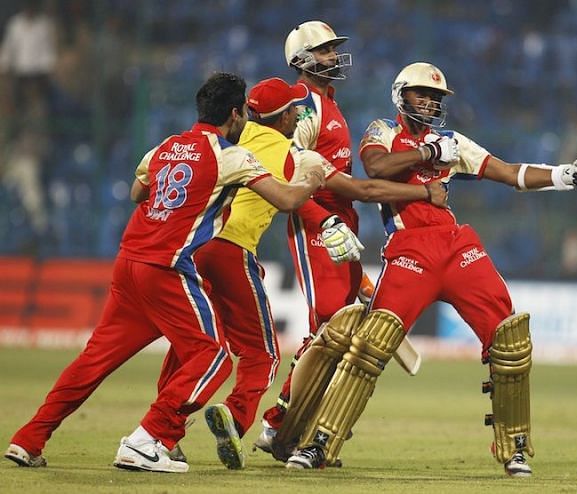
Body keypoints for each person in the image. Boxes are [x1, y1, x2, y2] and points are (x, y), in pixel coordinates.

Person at [284, 62, 577, 477]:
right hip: (409, 250)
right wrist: (427, 154)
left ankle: (515, 448)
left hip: (456, 247)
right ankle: (319, 443)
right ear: (401, 95)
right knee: (370, 344)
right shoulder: (382, 130)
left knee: (509, 338)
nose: (431, 101)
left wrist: (563, 175)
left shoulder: (452, 141)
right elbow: (376, 171)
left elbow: (507, 173)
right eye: (422, 94)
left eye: (436, 97)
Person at [3, 72, 325, 473]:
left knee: (93, 361)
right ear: (235, 113)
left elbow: (139, 192)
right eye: (243, 111)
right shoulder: (232, 156)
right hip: (167, 269)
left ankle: (29, 438)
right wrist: (312, 173)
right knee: (214, 357)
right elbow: (289, 199)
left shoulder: (167, 146)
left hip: (128, 264)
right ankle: (148, 439)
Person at [158, 77, 446, 470]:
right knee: (267, 353)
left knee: (193, 345)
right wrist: (333, 219)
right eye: (295, 108)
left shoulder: (228, 143)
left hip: (190, 249)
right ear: (283, 116)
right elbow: (356, 190)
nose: (300, 112)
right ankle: (254, 420)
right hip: (231, 251)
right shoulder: (291, 152)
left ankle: (159, 435)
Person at [255, 20, 367, 450]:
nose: (333, 57)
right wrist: (324, 220)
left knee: (335, 327)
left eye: (334, 49)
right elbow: (289, 168)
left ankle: (288, 419)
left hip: (342, 221)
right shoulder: (302, 101)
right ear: (301, 58)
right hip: (317, 219)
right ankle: (279, 421)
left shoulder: (327, 102)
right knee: (329, 327)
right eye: (324, 51)